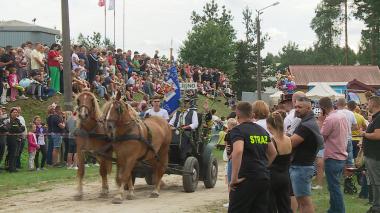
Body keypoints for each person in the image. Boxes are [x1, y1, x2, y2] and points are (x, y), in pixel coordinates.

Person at [228, 101, 276, 213]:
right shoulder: (262, 130)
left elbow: (238, 150)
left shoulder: (237, 130)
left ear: (237, 115)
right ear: (252, 114)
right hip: (263, 178)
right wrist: (264, 166)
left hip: (245, 178)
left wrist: (234, 178)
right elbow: (273, 152)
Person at [290, 97, 323, 213]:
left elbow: (291, 143)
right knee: (301, 200)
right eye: (295, 106)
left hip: (302, 167)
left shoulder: (306, 126)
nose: (296, 109)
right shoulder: (306, 122)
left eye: (299, 107)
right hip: (301, 166)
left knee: (304, 201)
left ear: (309, 108)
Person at [319, 97, 349, 213]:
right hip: (341, 154)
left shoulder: (330, 119)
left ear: (322, 108)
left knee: (334, 187)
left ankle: (340, 210)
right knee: (334, 186)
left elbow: (321, 138)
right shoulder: (342, 116)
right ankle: (333, 209)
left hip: (333, 156)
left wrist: (321, 121)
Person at [267, 111, 292, 213]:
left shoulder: (271, 140)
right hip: (285, 176)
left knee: (271, 206)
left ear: (269, 126)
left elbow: (268, 159)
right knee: (285, 206)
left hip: (272, 176)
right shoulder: (288, 139)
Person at [361, 96, 380, 213]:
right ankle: (376, 205)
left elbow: (378, 135)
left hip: (375, 156)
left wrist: (364, 134)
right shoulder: (375, 118)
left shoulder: (379, 118)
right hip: (372, 155)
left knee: (377, 182)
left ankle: (377, 207)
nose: (367, 106)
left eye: (368, 103)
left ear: (373, 104)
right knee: (374, 182)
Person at [223, 118, 238, 208]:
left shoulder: (232, 134)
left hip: (232, 158)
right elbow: (227, 144)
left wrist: (230, 154)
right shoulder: (232, 134)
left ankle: (231, 201)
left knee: (230, 181)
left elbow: (228, 145)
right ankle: (232, 200)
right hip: (231, 157)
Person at [5, 107, 25, 172]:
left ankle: (14, 167)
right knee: (12, 153)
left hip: (18, 138)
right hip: (11, 138)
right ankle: (10, 168)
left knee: (16, 153)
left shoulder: (17, 120)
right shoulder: (8, 120)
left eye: (16, 112)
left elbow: (23, 128)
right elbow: (10, 129)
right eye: (14, 112)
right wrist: (18, 128)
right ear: (11, 113)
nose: (15, 113)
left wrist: (17, 128)